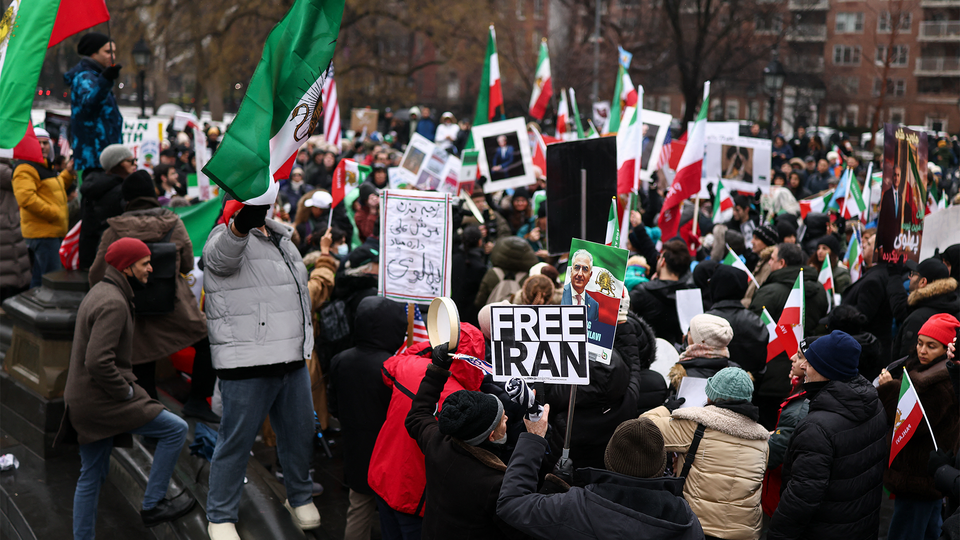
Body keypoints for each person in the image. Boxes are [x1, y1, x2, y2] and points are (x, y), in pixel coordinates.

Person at [202, 203, 320, 539]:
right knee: (236, 441)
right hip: (247, 362)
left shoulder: (283, 238)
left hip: (292, 358)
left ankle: (298, 496)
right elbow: (221, 258)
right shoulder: (224, 237)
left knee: (299, 432)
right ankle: (220, 515)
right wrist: (239, 227)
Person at [64, 238, 194, 540]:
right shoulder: (113, 302)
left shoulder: (104, 290)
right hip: (102, 401)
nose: (151, 268)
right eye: (144, 263)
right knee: (175, 430)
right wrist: (125, 393)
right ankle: (152, 505)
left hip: (85, 400)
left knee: (92, 474)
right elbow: (97, 361)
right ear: (126, 267)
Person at [87, 171, 215, 420]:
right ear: (153, 194)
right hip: (174, 306)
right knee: (206, 341)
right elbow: (187, 264)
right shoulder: (173, 222)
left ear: (127, 199)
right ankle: (197, 402)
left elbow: (97, 274)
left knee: (141, 357)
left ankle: (149, 414)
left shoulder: (114, 229)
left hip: (133, 309)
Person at [497, 416, 705, 539]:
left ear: (609, 459)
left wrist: (533, 439)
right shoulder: (685, 519)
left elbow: (512, 503)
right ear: (662, 466)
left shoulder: (576, 506)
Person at [367, 323, 486, 540]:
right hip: (416, 497)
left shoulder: (411, 367)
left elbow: (388, 366)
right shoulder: (465, 402)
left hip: (384, 476)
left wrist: (431, 346)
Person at [767, 331, 888, 540]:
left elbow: (801, 499)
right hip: (861, 526)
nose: (802, 366)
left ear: (827, 370)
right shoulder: (874, 405)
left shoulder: (816, 427)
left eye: (811, 363)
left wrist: (777, 535)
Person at [405, 342, 526, 539]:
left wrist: (437, 369)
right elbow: (526, 526)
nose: (506, 419)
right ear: (491, 436)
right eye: (502, 419)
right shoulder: (493, 484)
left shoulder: (438, 444)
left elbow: (417, 415)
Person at [643, 367, 769, 540]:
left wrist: (666, 408)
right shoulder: (762, 440)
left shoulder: (695, 426)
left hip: (698, 528)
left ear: (711, 396)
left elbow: (642, 428)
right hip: (746, 532)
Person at [329, 297, 407, 540]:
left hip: (355, 448)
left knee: (359, 509)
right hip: (390, 454)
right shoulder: (393, 366)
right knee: (394, 517)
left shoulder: (340, 359)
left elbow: (334, 406)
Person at [877, 314, 960, 540]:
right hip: (925, 474)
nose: (922, 350)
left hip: (919, 473)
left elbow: (917, 423)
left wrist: (889, 389)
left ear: (946, 349)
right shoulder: (922, 369)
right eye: (920, 343)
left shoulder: (943, 382)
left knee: (906, 531)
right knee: (932, 528)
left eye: (931, 346)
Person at [749, 242, 829, 428]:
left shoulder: (769, 292)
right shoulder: (820, 291)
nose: (769, 263)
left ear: (782, 263)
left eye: (772, 258)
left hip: (770, 379)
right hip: (806, 376)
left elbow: (753, 332)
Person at [11, 128, 76, 287]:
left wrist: (67, 174)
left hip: (48, 232)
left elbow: (54, 188)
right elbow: (26, 198)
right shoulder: (25, 167)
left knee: (41, 279)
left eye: (45, 143)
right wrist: (54, 213)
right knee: (51, 280)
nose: (42, 146)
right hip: (43, 234)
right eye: (38, 143)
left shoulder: (45, 166)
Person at [65, 33, 123, 175]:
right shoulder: (84, 77)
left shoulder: (97, 76)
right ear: (93, 53)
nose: (113, 57)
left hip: (105, 157)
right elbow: (89, 105)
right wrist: (106, 80)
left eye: (114, 52)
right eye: (108, 52)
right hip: (94, 159)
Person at [78, 144, 137, 269]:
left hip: (91, 253)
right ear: (117, 163)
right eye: (130, 161)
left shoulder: (93, 186)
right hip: (113, 254)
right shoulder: (121, 190)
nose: (134, 164)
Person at [705, 265, 769, 378]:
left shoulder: (704, 322)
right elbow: (761, 367)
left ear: (717, 286)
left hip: (710, 388)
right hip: (747, 390)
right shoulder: (756, 323)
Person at [891, 257, 960, 360]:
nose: (910, 278)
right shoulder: (953, 305)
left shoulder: (917, 318)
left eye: (913, 274)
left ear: (923, 282)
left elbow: (905, 361)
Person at [630, 239, 690, 345]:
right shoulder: (689, 296)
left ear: (662, 262)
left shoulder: (643, 292)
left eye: (659, 257)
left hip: (642, 354)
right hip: (674, 356)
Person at [0, 159, 31, 299]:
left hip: (8, 227)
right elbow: (19, 180)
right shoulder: (4, 170)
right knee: (9, 269)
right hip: (7, 229)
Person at [561, 249, 600, 322]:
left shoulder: (594, 305)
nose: (580, 274)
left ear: (590, 275)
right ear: (571, 271)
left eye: (585, 269)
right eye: (577, 268)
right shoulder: (560, 296)